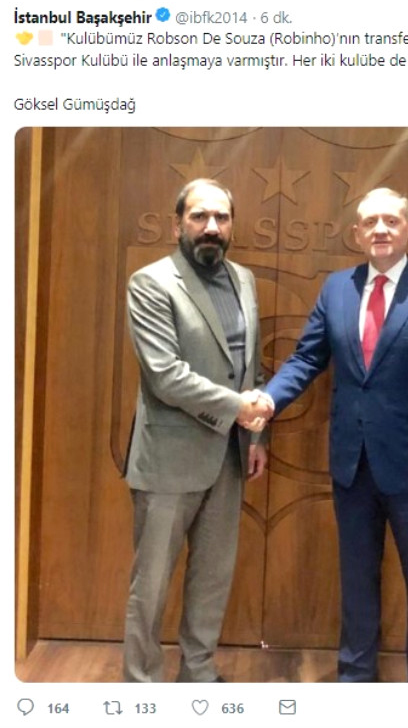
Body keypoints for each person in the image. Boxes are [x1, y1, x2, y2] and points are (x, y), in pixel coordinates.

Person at [260, 187, 408, 682]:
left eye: (391, 221)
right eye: (370, 222)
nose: (380, 229)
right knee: (357, 580)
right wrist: (269, 401)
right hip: (351, 464)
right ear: (357, 233)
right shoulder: (337, 288)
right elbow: (307, 358)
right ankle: (356, 678)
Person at [122, 178, 271, 682]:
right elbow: (165, 376)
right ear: (177, 224)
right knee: (151, 585)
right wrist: (239, 409)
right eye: (199, 216)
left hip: (229, 456)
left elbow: (251, 365)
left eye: (221, 218)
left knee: (212, 578)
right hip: (168, 458)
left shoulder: (244, 280)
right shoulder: (151, 283)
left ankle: (198, 675)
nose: (212, 227)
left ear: (232, 225)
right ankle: (141, 684)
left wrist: (256, 436)